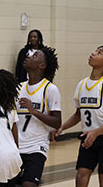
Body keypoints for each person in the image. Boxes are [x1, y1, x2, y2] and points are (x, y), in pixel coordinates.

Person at [53, 46, 103, 187]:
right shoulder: (82, 84)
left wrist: (96, 132)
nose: (93, 53)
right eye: (95, 51)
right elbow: (78, 115)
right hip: (87, 139)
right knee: (81, 177)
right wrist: (62, 127)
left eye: (99, 53)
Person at [16, 46, 61, 187]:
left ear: (42, 65)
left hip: (36, 147)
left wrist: (34, 111)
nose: (29, 56)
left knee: (29, 184)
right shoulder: (19, 87)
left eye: (34, 56)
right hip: (16, 147)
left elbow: (57, 122)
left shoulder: (50, 89)